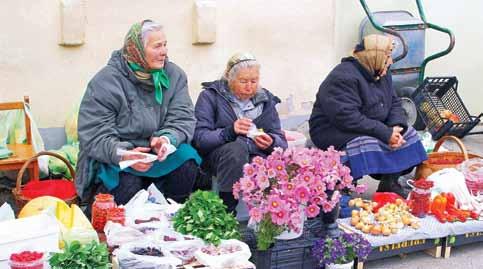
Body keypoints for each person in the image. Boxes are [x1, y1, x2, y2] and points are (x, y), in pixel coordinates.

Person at [77, 20, 201, 206]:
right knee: (128, 184)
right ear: (137, 50)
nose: (164, 51)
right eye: (157, 46)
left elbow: (182, 117)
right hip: (117, 156)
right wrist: (124, 154)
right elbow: (95, 134)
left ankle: (172, 219)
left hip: (157, 155)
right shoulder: (106, 82)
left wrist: (167, 139)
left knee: (186, 162)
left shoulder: (174, 75)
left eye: (165, 45)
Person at [309, 34, 427, 197]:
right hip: (335, 131)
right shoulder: (343, 77)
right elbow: (347, 117)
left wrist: (395, 127)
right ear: (375, 58)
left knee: (409, 135)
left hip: (370, 125)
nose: (391, 62)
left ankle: (390, 181)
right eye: (388, 57)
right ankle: (344, 186)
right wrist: (384, 133)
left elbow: (394, 102)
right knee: (364, 144)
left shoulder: (381, 71)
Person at [193, 52, 288, 213]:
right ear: (229, 79)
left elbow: (281, 140)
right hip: (220, 156)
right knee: (236, 149)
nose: (249, 86)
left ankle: (268, 217)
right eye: (243, 81)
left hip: (255, 154)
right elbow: (200, 138)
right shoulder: (211, 96)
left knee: (277, 163)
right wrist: (229, 132)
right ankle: (227, 212)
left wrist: (271, 141)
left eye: (254, 81)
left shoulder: (265, 100)